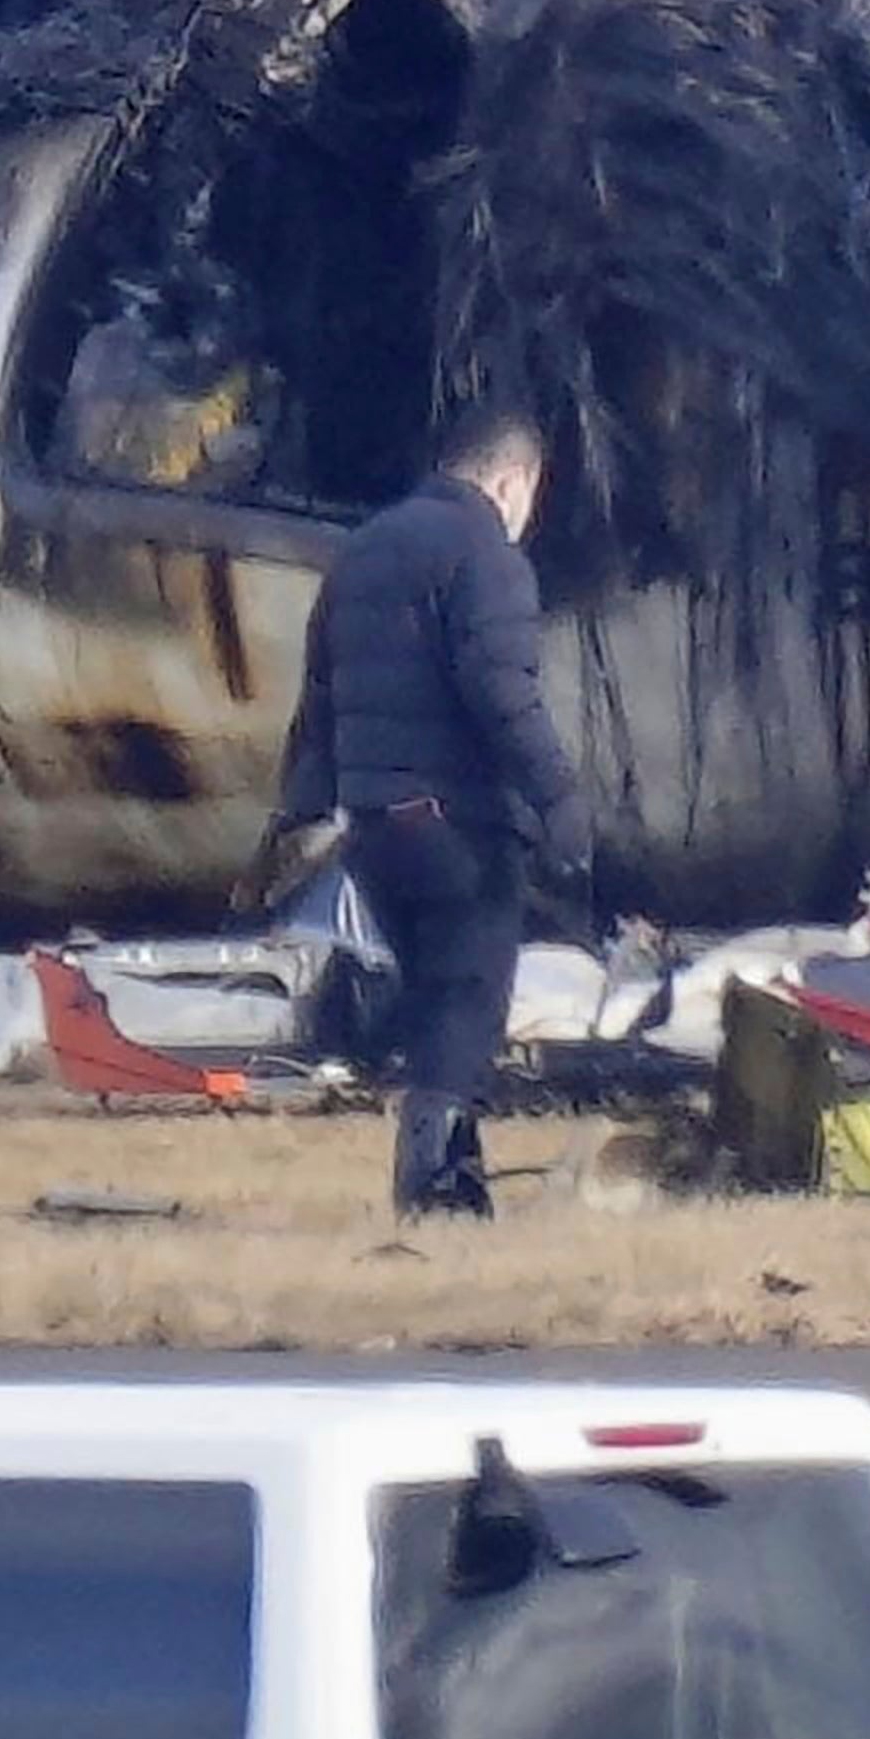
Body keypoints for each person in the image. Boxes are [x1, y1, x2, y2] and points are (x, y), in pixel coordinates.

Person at [282, 405, 581, 1219]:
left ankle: (456, 1184)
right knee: (470, 1001)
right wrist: (559, 799)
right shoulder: (486, 556)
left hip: (374, 824)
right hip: (456, 820)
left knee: (436, 1002)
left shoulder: (363, 549)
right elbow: (502, 691)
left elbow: (319, 695)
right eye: (531, 493)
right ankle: (434, 1191)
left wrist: (303, 808)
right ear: (509, 479)